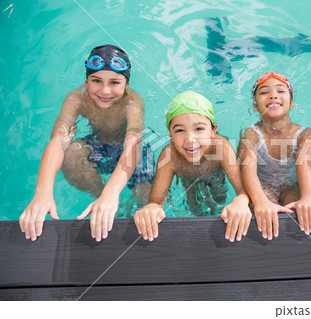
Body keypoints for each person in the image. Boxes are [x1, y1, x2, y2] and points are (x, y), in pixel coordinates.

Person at [20, 44, 154, 242]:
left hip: (131, 151)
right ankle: (101, 199)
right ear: (86, 81)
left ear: (126, 84)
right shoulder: (76, 99)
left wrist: (113, 191)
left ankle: (118, 202)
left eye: (115, 82)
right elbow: (59, 139)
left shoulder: (133, 102)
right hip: (99, 146)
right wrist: (42, 192)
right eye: (96, 81)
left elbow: (133, 143)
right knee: (72, 153)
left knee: (145, 199)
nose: (105, 90)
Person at [134, 91, 252, 242]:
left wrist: (241, 200)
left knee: (220, 198)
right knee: (195, 209)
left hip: (215, 173)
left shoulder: (221, 147)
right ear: (170, 135)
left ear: (213, 131)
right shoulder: (169, 156)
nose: (190, 140)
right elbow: (157, 201)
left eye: (199, 129)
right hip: (188, 177)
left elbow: (243, 189)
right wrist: (152, 208)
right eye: (180, 130)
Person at [238, 72, 311, 240]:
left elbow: (304, 165)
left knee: (298, 207)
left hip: (291, 186)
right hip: (263, 186)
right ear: (255, 106)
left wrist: (308, 197)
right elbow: (247, 168)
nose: (273, 95)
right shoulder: (251, 133)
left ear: (292, 104)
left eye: (281, 91)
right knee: (263, 208)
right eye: (264, 92)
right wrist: (260, 200)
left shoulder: (305, 134)